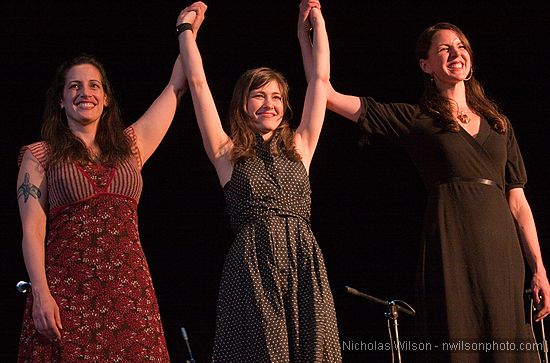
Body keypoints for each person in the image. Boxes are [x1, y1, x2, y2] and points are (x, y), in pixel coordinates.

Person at [299, 13, 550, 361]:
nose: (455, 53)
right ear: (426, 65)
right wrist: (312, 32)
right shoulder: (418, 120)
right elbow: (324, 93)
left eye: (461, 47)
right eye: (444, 49)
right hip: (451, 245)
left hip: (503, 253)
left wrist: (538, 268)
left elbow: (519, 202)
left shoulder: (499, 125)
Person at [15, 27, 204, 360]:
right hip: (67, 293)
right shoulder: (40, 155)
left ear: (105, 99)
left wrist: (186, 31)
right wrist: (41, 293)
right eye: (73, 86)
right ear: (61, 99)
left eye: (93, 86)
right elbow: (32, 230)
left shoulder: (131, 146)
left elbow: (177, 85)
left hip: (129, 290)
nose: (83, 93)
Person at [176, 1, 341, 362]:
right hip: (253, 264)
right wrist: (186, 30)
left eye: (277, 97)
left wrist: (312, 29)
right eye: (259, 95)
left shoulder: (301, 145)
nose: (270, 104)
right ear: (243, 103)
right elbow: (198, 83)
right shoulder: (225, 151)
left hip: (303, 260)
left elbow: (320, 80)